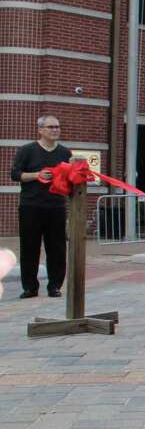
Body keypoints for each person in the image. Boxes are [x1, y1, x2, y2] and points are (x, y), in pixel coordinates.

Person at [8, 115, 73, 299]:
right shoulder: (27, 150)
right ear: (40, 130)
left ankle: (55, 286)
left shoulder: (65, 153)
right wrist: (37, 175)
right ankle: (30, 287)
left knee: (57, 248)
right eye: (51, 127)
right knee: (30, 247)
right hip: (31, 205)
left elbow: (70, 178)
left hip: (56, 206)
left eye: (57, 126)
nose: (55, 130)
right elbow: (15, 174)